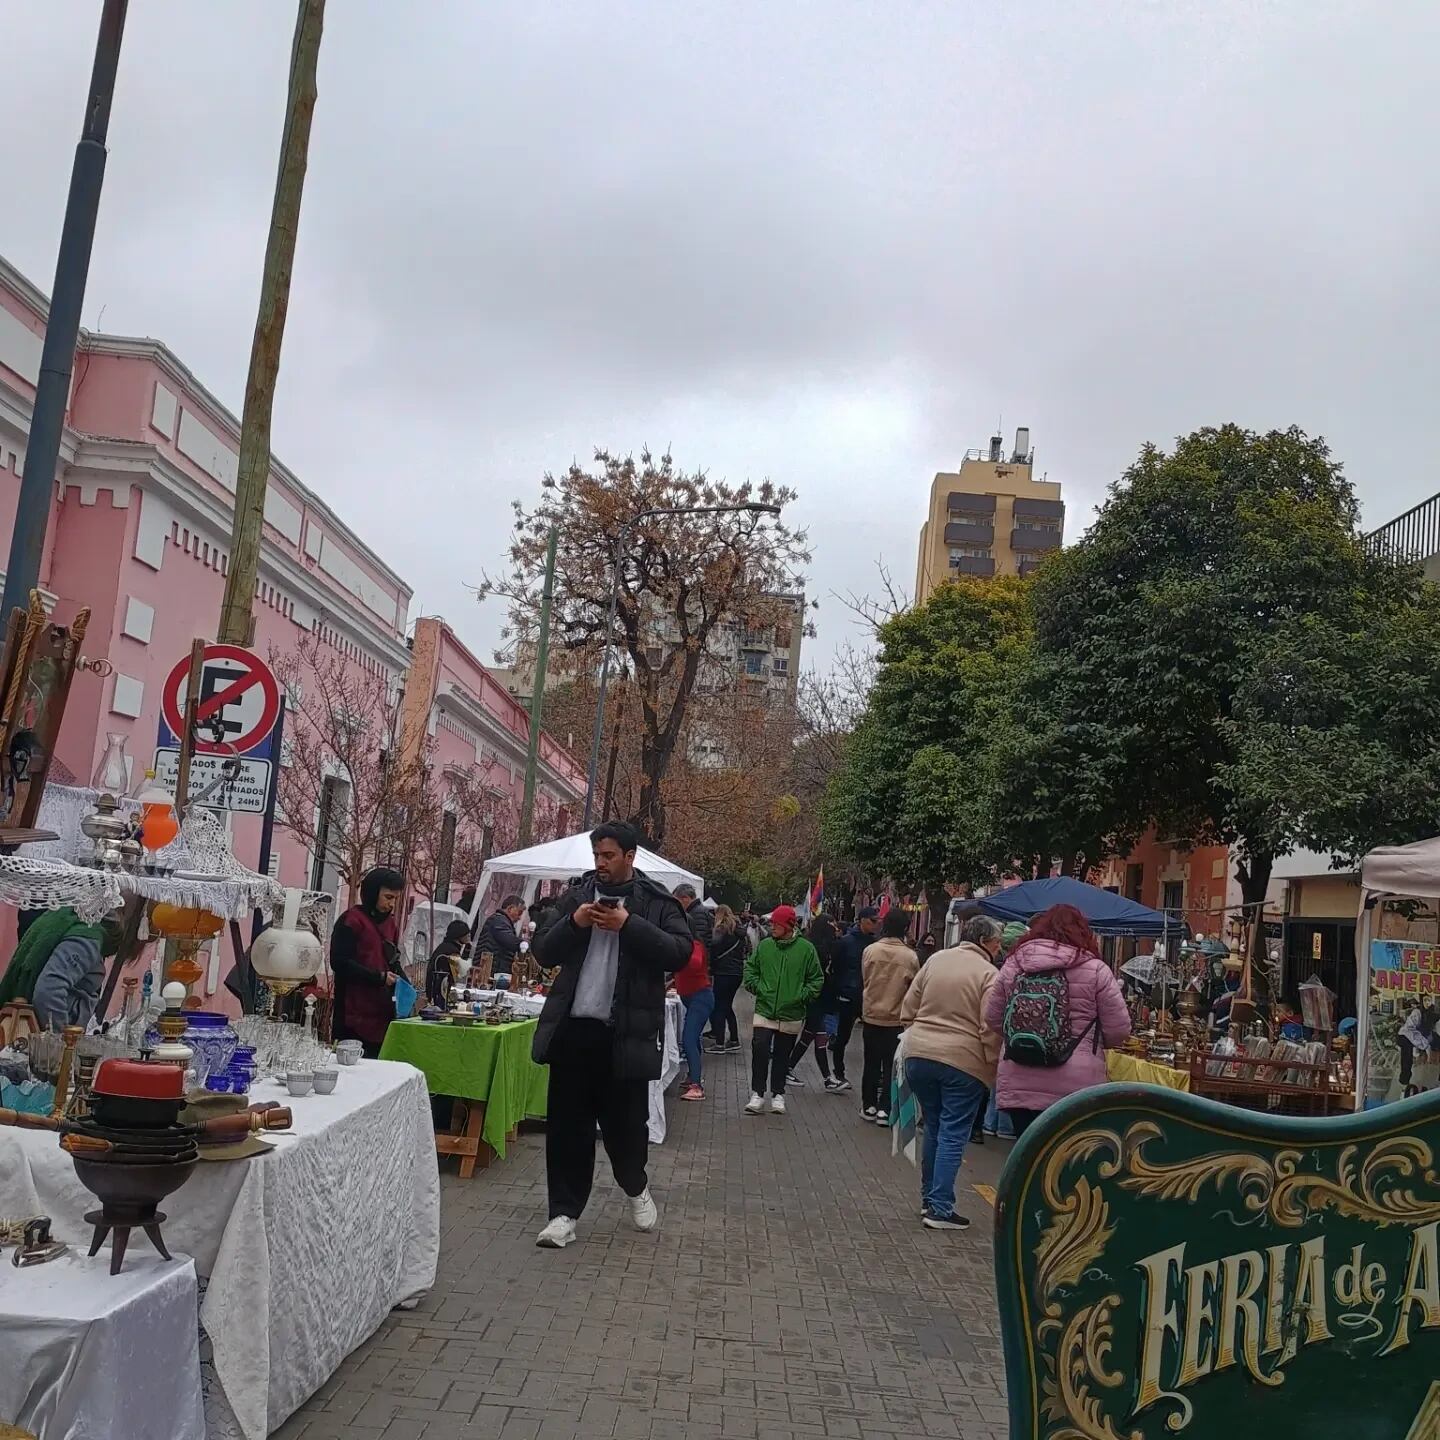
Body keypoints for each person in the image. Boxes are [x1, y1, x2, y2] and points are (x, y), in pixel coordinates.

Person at [530, 822, 692, 1249]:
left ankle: (635, 1186)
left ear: (629, 856)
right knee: (568, 1129)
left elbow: (681, 952)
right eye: (596, 855)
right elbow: (542, 948)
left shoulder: (656, 902)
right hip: (574, 1032)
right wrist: (575, 922)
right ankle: (563, 1214)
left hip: (627, 1035)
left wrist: (629, 925)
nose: (600, 864)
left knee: (626, 1130)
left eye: (608, 856)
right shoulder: (578, 895)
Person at [984, 903, 1131, 1136]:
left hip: (1019, 1073)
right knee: (1065, 1161)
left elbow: (992, 1018)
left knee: (1029, 1159)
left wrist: (1026, 1033)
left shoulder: (1014, 965)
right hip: (1075, 1085)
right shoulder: (1096, 970)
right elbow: (1120, 1029)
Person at [902, 915, 1003, 1230]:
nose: (999, 949)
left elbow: (909, 1007)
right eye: (998, 943)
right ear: (987, 942)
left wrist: (915, 1035)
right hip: (963, 1061)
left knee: (934, 1126)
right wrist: (991, 1065)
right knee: (953, 1133)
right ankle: (941, 1208)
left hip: (919, 1053)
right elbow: (990, 1026)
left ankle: (928, 1200)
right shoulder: (989, 974)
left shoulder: (936, 960)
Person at [742, 904, 822, 1116]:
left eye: (777, 924)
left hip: (792, 1012)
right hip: (765, 1008)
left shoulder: (806, 949)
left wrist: (801, 997)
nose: (772, 927)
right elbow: (751, 968)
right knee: (759, 1048)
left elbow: (816, 978)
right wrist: (757, 988)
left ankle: (778, 1094)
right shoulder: (766, 946)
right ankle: (757, 1093)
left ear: (788, 925)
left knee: (782, 1054)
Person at [0, 907, 122, 1030]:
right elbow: (49, 990)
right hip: (37, 1034)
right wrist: (60, 1042)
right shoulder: (87, 937)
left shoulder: (64, 916)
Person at [331, 867, 405, 1058]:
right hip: (352, 1018)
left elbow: (392, 962)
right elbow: (339, 963)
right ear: (373, 893)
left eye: (395, 899)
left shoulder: (391, 925)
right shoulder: (351, 921)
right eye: (388, 897)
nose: (392, 904)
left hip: (381, 1017)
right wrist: (378, 978)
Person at [861, 908, 919, 1123]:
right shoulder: (910, 956)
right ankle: (885, 1108)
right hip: (896, 1018)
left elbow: (865, 979)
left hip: (871, 1015)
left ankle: (868, 1105)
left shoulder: (870, 950)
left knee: (871, 1063)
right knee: (891, 1066)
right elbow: (913, 989)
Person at [787, 915, 846, 1092]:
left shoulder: (818, 945)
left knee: (811, 1035)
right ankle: (827, 1078)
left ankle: (789, 1068)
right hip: (814, 997)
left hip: (819, 997)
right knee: (818, 1034)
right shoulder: (816, 948)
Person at [979, 921, 1026, 1140]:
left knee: (997, 1080)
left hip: (997, 1029)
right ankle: (1003, 1126)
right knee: (1005, 1079)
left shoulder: (996, 965)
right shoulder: (1017, 967)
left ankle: (990, 1122)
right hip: (1008, 1031)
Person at [673, 884, 715, 1101]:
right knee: (694, 1039)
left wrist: (675, 958)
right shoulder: (689, 943)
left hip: (701, 996)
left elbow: (694, 964)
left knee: (688, 1038)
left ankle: (697, 1085)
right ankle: (692, 1076)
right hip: (693, 996)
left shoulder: (694, 944)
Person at [831, 906, 879, 1090]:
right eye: (873, 921)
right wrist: (842, 989)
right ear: (862, 920)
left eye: (878, 921)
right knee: (843, 1037)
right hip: (848, 995)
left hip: (869, 996)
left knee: (873, 1039)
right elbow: (836, 967)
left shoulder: (876, 944)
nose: (876, 924)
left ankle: (874, 1077)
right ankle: (838, 1072)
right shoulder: (845, 942)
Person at [706, 905, 749, 1053]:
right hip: (737, 973)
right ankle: (734, 1039)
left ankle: (719, 1043)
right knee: (727, 1005)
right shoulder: (740, 931)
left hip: (723, 972)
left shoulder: (721, 929)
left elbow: (713, 946)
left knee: (719, 1006)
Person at [425, 919, 471, 1007]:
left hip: (433, 988)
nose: (469, 935)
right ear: (458, 935)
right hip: (439, 993)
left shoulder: (445, 946)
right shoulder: (452, 951)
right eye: (465, 933)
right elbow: (460, 974)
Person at [477, 895, 525, 972]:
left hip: (491, 968)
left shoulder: (500, 921)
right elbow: (509, 940)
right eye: (519, 912)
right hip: (490, 970)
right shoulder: (499, 921)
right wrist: (525, 944)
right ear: (510, 909)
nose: (519, 918)